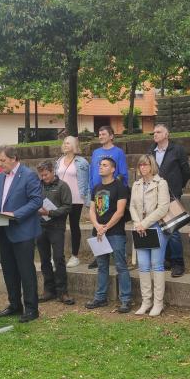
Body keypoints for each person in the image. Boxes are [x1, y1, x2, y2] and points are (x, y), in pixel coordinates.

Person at [0, 145, 43, 323]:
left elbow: (36, 201)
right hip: (3, 229)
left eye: (3, 161)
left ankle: (31, 308)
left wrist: (16, 214)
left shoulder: (28, 175)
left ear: (14, 158)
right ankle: (14, 304)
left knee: (25, 271)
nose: (0, 164)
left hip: (22, 230)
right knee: (9, 271)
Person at [85, 157, 132, 313]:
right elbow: (92, 210)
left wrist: (105, 227)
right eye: (100, 165)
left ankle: (125, 299)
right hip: (98, 232)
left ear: (113, 169)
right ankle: (100, 297)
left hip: (115, 233)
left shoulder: (120, 187)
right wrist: (97, 226)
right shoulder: (96, 187)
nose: (101, 167)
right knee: (102, 266)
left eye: (105, 165)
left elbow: (120, 212)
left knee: (121, 266)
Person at [149, 123, 190, 278]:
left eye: (158, 132)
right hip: (154, 194)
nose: (155, 134)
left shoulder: (177, 150)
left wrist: (178, 186)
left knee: (172, 229)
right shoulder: (151, 150)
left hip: (172, 194)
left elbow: (186, 171)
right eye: (154, 132)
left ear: (167, 134)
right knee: (159, 227)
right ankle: (166, 260)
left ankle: (178, 263)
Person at [130, 155, 170, 316]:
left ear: (152, 166)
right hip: (140, 228)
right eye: (140, 165)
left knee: (157, 265)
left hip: (156, 228)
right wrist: (137, 223)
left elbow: (163, 208)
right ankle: (146, 301)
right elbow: (132, 206)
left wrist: (144, 223)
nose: (143, 168)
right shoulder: (136, 184)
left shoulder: (161, 183)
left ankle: (158, 303)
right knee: (143, 265)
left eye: (145, 165)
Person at [87, 126, 128, 269]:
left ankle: (115, 255)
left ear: (111, 136)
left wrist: (115, 186)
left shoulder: (118, 152)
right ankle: (99, 256)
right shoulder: (96, 152)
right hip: (97, 192)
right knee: (97, 221)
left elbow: (123, 173)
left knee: (110, 220)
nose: (100, 136)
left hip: (112, 192)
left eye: (103, 134)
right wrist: (92, 187)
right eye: (99, 134)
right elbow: (92, 172)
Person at [36, 160, 74, 305]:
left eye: (46, 174)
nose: (43, 177)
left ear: (52, 171)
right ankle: (49, 290)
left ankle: (63, 292)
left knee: (58, 258)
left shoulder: (62, 186)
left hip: (56, 226)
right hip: (40, 226)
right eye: (41, 175)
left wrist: (51, 212)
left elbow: (68, 207)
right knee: (44, 259)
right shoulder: (38, 186)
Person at [55, 136, 90, 268]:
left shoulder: (82, 162)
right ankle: (58, 256)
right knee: (59, 227)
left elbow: (86, 182)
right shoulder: (59, 161)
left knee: (74, 226)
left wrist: (87, 198)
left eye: (68, 143)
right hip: (61, 199)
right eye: (64, 143)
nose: (65, 145)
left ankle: (75, 256)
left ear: (75, 145)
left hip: (76, 199)